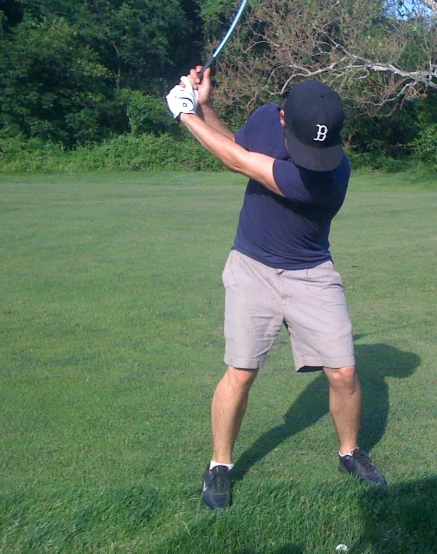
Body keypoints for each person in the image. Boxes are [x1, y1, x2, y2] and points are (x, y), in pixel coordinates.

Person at [166, 66, 386, 511]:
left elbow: (236, 163)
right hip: (253, 266)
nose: (315, 155)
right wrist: (205, 106)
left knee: (343, 371)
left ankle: (349, 452)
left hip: (311, 272)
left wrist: (184, 116)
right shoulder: (267, 116)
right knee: (242, 371)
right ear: (283, 118)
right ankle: (220, 465)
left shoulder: (330, 177)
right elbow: (240, 147)